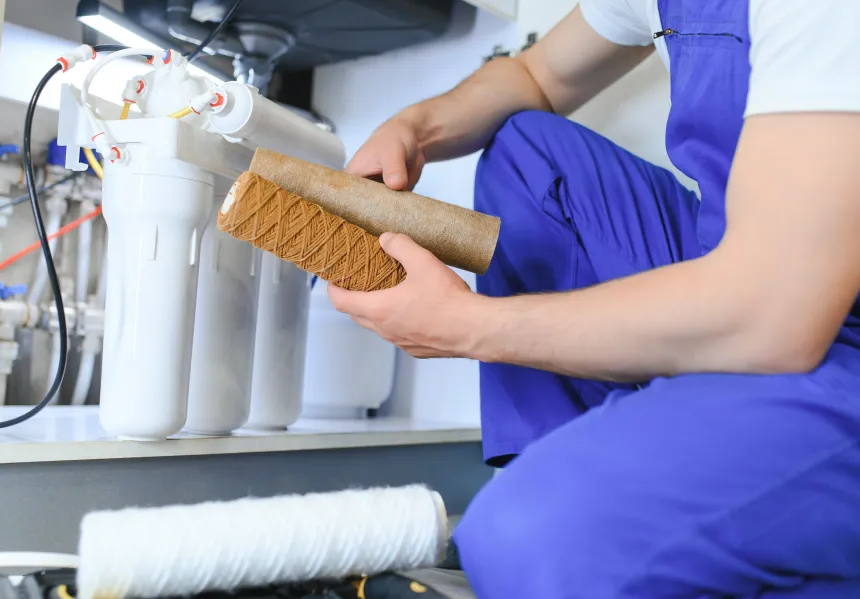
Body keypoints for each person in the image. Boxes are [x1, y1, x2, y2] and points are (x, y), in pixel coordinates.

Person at [328, 1, 860, 597]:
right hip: (758, 266)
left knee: (530, 535)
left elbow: (773, 314)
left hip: (813, 318)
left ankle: (574, 528)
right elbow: (536, 75)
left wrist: (465, 325)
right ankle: (557, 472)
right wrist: (415, 125)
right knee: (530, 150)